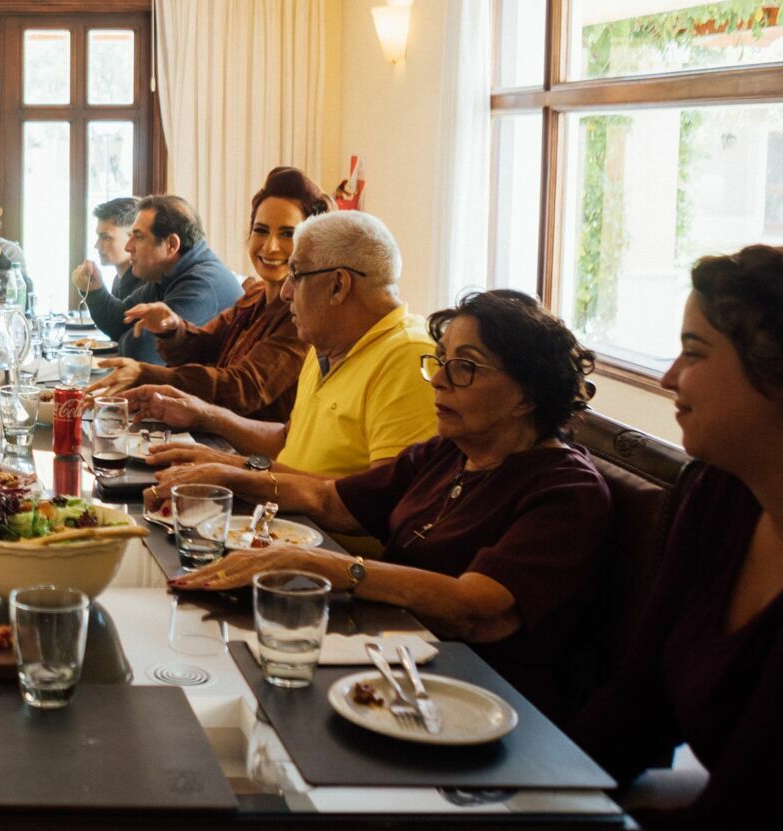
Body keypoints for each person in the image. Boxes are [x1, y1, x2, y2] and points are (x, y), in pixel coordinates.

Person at [163, 290, 611, 717]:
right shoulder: (450, 451)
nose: (438, 379)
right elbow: (332, 499)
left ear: (527, 395)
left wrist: (326, 567)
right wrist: (230, 473)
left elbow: (475, 610)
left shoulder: (565, 489)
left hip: (481, 702)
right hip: (393, 662)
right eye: (440, 361)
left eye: (464, 367)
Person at [571, 245, 783, 831]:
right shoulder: (721, 493)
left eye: (694, 353)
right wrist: (527, 787)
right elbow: (639, 705)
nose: (667, 377)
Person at [132, 210, 436, 486]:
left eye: (296, 275)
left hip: (331, 544)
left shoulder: (407, 355)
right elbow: (286, 440)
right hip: (286, 522)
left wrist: (239, 469)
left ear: (338, 285)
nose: (287, 292)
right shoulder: (328, 345)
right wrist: (202, 414)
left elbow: (381, 497)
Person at [89, 167, 326, 422]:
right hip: (216, 436)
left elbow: (243, 389)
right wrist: (172, 328)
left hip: (253, 456)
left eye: (287, 234)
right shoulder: (255, 296)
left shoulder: (304, 317)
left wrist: (145, 373)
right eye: (261, 231)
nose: (270, 246)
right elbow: (206, 345)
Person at [71, 195, 242, 365]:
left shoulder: (201, 285)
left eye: (138, 237)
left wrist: (127, 337)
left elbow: (142, 351)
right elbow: (121, 321)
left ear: (171, 245)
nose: (128, 247)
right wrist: (95, 291)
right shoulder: (166, 274)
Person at [81, 195, 141, 302]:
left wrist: (95, 292)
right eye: (98, 237)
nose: (97, 246)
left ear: (133, 237)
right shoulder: (118, 280)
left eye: (105, 237)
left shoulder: (147, 285)